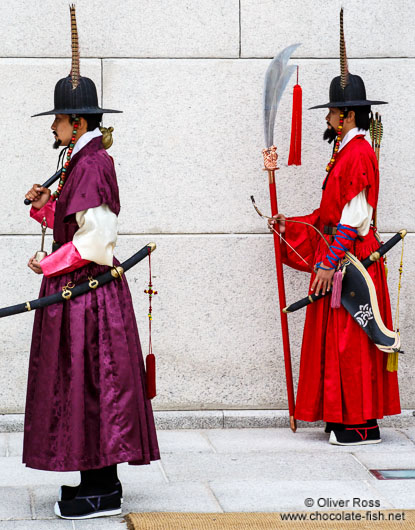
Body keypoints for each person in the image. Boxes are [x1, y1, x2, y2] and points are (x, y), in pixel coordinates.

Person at [23, 6, 160, 519]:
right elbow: (73, 218)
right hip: (82, 294)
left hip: (89, 295)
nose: (55, 126)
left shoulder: (93, 161)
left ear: (77, 121)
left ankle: (102, 489)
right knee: (84, 388)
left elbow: (97, 239)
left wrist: (50, 265)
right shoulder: (80, 160)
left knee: (95, 385)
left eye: (58, 119)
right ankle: (94, 483)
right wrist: (45, 205)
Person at [269, 10, 400, 445]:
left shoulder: (358, 154)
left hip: (354, 265)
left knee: (353, 346)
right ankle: (343, 417)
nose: (325, 121)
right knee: (341, 345)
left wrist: (328, 262)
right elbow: (328, 216)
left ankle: (361, 424)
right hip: (344, 261)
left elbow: (353, 218)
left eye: (330, 115)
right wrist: (290, 224)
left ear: (345, 116)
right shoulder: (345, 152)